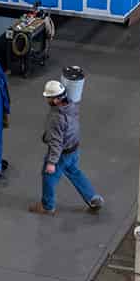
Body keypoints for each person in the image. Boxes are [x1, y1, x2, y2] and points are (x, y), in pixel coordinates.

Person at [30, 79, 102, 216]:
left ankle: (47, 206)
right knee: (74, 172)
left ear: (56, 100)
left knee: (48, 177)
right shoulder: (72, 105)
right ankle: (92, 198)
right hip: (74, 148)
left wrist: (52, 163)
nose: (47, 100)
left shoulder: (56, 117)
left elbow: (56, 142)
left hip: (62, 153)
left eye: (49, 98)